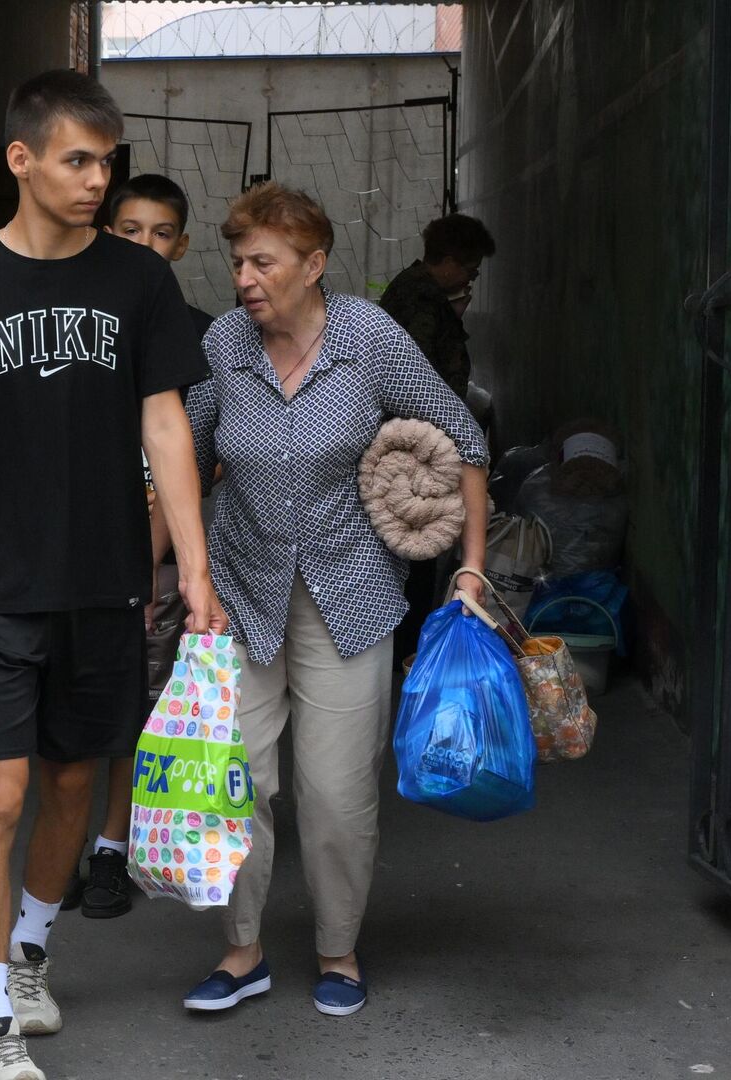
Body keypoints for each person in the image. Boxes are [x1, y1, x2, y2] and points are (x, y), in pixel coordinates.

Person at [0, 70, 223, 1080]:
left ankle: (30, 951)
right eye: (78, 160)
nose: (96, 179)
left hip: (107, 577)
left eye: (106, 162)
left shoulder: (137, 283)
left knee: (75, 783)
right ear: (21, 160)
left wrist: (193, 568)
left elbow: (165, 420)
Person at [176, 182, 490, 1018]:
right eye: (237, 260)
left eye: (263, 261)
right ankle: (241, 953)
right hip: (241, 593)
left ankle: (337, 951)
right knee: (235, 776)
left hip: (348, 594)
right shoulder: (222, 347)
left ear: (313, 266)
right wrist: (176, 571)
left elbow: (464, 438)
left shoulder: (367, 337)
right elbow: (178, 456)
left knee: (337, 791)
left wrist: (470, 568)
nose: (245, 277)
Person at [73, 171, 222, 922]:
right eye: (130, 231)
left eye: (162, 234)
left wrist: (171, 559)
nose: (147, 246)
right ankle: (66, 849)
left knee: (142, 705)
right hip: (79, 548)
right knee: (73, 712)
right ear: (105, 230)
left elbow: (201, 452)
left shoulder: (200, 333)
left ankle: (111, 848)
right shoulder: (79, 318)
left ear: (183, 244)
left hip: (160, 560)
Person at [380, 212, 496, 658]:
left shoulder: (422, 294)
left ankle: (405, 648)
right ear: (447, 261)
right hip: (416, 449)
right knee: (417, 554)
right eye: (470, 269)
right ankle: (406, 652)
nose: (471, 278)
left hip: (417, 447)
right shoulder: (422, 303)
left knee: (418, 553)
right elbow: (418, 384)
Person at [378, 212, 496, 401]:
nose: (471, 278)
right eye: (471, 270)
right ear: (449, 265)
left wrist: (450, 316)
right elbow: (418, 376)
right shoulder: (422, 297)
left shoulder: (416, 287)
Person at [101, 173, 217, 339]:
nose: (145, 243)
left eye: (161, 234)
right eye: (131, 231)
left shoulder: (206, 334)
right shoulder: (86, 321)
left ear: (180, 246)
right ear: (108, 239)